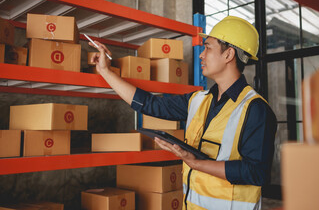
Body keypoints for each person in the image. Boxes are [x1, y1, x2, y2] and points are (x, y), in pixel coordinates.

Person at [90, 16, 277, 210]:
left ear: (229, 54)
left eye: (208, 47)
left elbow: (257, 172)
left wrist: (196, 163)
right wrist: (105, 72)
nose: (201, 55)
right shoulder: (198, 100)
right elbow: (149, 104)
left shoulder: (255, 109)